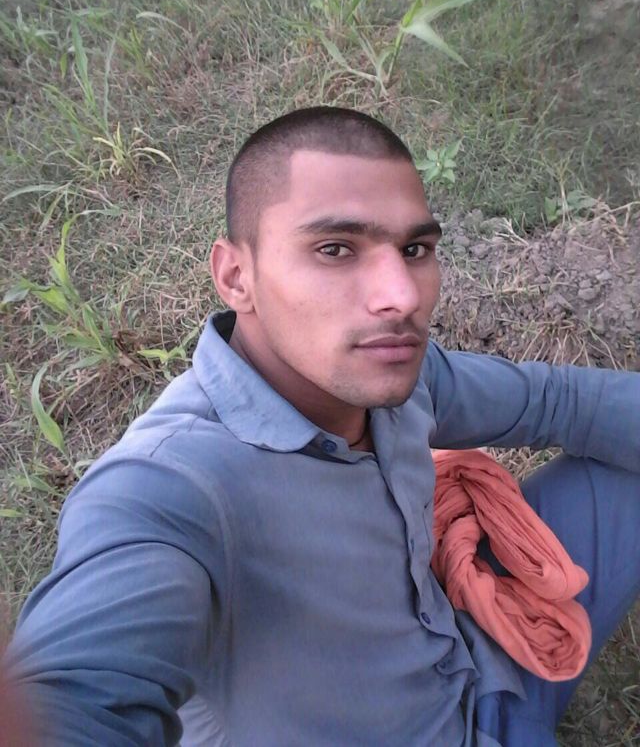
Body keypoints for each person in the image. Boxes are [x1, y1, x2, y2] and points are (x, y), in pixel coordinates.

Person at [4, 106, 639, 746]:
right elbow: (74, 696)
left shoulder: (394, 375)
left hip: (488, 665)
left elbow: (555, 401)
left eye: (415, 249)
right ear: (236, 277)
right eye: (335, 249)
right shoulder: (173, 491)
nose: (402, 296)